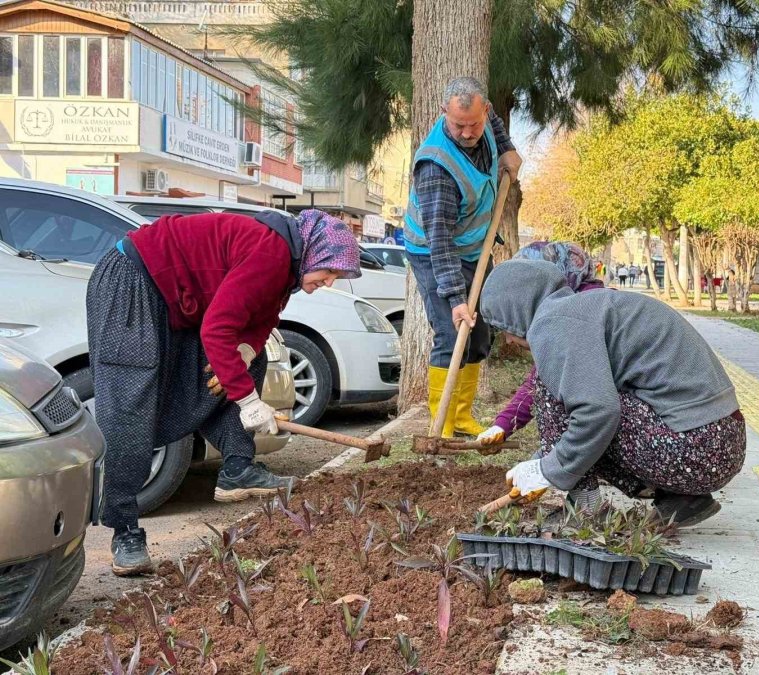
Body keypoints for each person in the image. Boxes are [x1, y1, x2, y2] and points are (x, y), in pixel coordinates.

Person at [87, 209, 361, 575]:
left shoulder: (285, 264)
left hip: (172, 299)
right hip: (131, 284)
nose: (329, 282)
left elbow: (262, 317)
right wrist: (248, 402)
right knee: (131, 401)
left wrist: (245, 351)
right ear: (315, 255)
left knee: (251, 361)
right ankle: (124, 529)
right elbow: (216, 331)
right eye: (330, 272)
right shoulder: (272, 252)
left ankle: (237, 468)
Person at [480, 260, 746, 526]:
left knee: (552, 393)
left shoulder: (553, 324)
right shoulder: (582, 309)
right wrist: (545, 460)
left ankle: (585, 510)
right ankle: (684, 500)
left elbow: (597, 413)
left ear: (516, 310)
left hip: (694, 449)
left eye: (504, 328)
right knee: (585, 405)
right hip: (719, 447)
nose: (508, 339)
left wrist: (548, 469)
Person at [403, 76, 522, 437]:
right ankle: (442, 424)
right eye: (458, 125)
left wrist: (507, 149)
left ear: (484, 111)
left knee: (480, 332)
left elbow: (496, 128)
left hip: (473, 245)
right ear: (444, 114)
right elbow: (440, 240)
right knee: (452, 329)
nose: (468, 133)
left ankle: (463, 414)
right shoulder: (436, 166)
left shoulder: (485, 122)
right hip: (432, 250)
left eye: (474, 124)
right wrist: (456, 297)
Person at [477, 243, 605, 511]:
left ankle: (587, 507)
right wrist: (503, 425)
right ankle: (679, 497)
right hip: (683, 431)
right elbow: (542, 377)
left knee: (560, 405)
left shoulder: (574, 314)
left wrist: (547, 468)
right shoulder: (588, 303)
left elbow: (545, 385)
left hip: (679, 440)